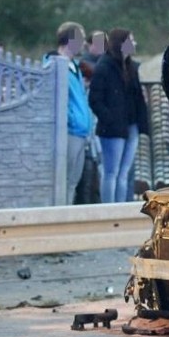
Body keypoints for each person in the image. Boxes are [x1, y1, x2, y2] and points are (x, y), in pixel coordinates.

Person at [89, 28, 149, 203]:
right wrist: (110, 119)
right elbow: (95, 99)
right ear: (121, 44)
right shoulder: (104, 67)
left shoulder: (131, 67)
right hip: (112, 129)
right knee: (111, 173)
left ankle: (120, 209)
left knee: (123, 173)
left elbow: (137, 97)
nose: (135, 43)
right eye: (131, 40)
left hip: (130, 126)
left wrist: (141, 123)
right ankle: (108, 210)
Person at [44, 22, 93, 205]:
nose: (83, 44)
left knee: (73, 181)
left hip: (81, 131)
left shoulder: (74, 66)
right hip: (70, 131)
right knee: (64, 180)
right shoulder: (54, 63)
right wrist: (72, 120)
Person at [75, 30, 107, 205]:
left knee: (97, 167)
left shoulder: (102, 63)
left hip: (92, 122)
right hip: (87, 123)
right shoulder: (84, 64)